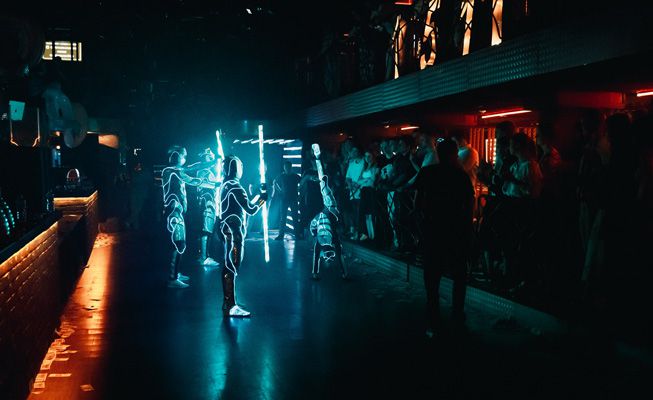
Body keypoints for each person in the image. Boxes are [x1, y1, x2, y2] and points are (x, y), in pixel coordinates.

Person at [413, 138, 474, 337]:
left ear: (438, 153)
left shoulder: (427, 173)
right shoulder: (461, 176)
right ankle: (457, 313)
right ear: (455, 154)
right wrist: (467, 230)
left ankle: (433, 314)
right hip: (456, 231)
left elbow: (417, 202)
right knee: (459, 275)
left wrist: (421, 226)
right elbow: (469, 205)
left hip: (432, 229)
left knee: (432, 274)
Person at [218, 155, 267, 317]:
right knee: (232, 266)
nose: (242, 169)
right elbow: (250, 209)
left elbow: (242, 205)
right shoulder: (235, 187)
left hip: (229, 230)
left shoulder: (226, 185)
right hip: (233, 233)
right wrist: (262, 199)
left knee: (230, 265)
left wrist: (257, 196)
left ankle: (229, 302)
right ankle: (230, 305)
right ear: (235, 168)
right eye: (240, 165)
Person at [161, 146, 210, 288]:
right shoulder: (171, 171)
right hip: (174, 213)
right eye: (183, 156)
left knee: (180, 244)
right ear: (177, 156)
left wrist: (210, 163)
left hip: (177, 212)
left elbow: (192, 168)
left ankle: (176, 273)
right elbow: (193, 179)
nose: (185, 159)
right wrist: (212, 184)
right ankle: (172, 278)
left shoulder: (176, 171)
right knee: (178, 243)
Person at [196, 148, 221, 270]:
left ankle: (204, 255)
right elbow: (201, 184)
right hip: (207, 204)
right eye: (209, 156)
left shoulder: (208, 171)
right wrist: (216, 184)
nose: (212, 158)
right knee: (206, 231)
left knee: (208, 231)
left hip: (210, 203)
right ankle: (204, 257)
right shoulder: (202, 171)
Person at [272, 161, 301, 240]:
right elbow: (274, 182)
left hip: (292, 199)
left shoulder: (295, 176)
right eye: (286, 167)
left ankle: (296, 235)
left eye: (288, 167)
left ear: (291, 167)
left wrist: (299, 190)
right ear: (284, 168)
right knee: (283, 218)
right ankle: (282, 235)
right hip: (285, 199)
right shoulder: (282, 176)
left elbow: (302, 183)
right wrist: (279, 190)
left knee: (294, 217)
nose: (287, 168)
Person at [356, 151, 380, 241]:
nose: (367, 158)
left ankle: (372, 235)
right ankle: (365, 233)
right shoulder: (364, 167)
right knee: (363, 212)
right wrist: (366, 180)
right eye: (366, 156)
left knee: (370, 212)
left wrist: (365, 180)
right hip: (364, 191)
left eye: (369, 156)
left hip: (370, 191)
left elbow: (373, 180)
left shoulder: (375, 167)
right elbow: (358, 180)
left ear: (373, 156)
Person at [345, 146, 365, 239]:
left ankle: (360, 232)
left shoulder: (364, 161)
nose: (353, 153)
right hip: (352, 191)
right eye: (352, 151)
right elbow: (348, 177)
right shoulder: (351, 163)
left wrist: (358, 184)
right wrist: (350, 185)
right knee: (353, 212)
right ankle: (354, 231)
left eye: (355, 151)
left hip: (361, 190)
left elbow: (365, 174)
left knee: (359, 212)